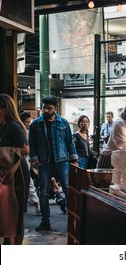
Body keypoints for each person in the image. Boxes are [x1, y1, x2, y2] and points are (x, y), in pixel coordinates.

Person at [29, 95, 78, 232]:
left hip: (61, 162)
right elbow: (31, 144)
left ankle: (73, 221)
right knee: (43, 193)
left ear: (55, 108)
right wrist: (35, 160)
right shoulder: (35, 124)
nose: (46, 110)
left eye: (49, 108)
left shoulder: (63, 123)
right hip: (44, 164)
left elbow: (70, 142)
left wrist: (74, 160)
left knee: (68, 190)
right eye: (44, 108)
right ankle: (45, 221)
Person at [0, 94, 29, 245]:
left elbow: (25, 149)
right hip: (6, 173)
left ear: (3, 109)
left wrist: (3, 152)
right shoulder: (3, 126)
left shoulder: (13, 126)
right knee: (6, 213)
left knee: (15, 214)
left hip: (16, 173)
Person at [19, 111, 40, 215]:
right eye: (27, 122)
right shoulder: (22, 131)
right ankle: (36, 203)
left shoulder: (25, 131)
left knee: (28, 181)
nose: (28, 124)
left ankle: (36, 203)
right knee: (28, 181)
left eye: (29, 122)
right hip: (23, 159)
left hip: (25, 159)